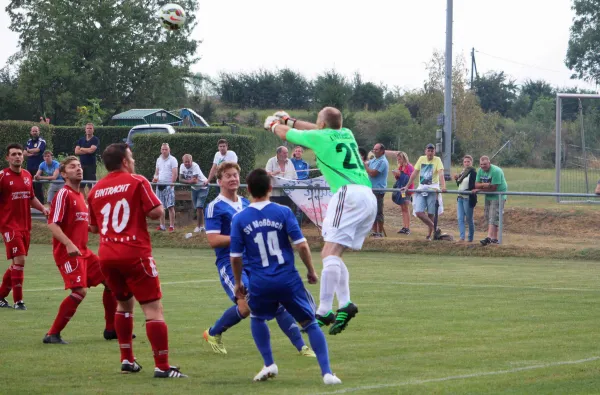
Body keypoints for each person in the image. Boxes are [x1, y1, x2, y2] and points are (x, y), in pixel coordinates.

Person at [264, 107, 377, 335]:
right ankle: (344, 303)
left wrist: (274, 124)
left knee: (328, 254)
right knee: (334, 253)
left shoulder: (320, 136)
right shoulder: (347, 133)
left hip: (348, 195)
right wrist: (289, 119)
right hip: (368, 196)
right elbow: (316, 129)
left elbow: (286, 135)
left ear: (323, 124)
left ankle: (324, 309)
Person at [230, 168, 341, 385]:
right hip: (287, 279)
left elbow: (235, 257)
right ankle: (327, 372)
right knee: (309, 323)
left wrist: (237, 283)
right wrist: (310, 270)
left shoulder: (240, 218)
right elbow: (301, 245)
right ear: (271, 188)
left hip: (260, 282)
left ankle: (269, 363)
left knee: (257, 317)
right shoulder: (283, 212)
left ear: (249, 190)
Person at [88, 143, 186, 378]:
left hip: (107, 256)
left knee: (123, 304)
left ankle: (127, 360)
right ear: (124, 161)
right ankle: (162, 366)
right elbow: (156, 212)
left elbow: (93, 227)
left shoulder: (95, 189)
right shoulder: (136, 181)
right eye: (130, 157)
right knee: (153, 309)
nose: (133, 161)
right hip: (134, 253)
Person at [203, 162, 315, 357]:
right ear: (219, 181)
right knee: (246, 307)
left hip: (256, 263)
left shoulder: (246, 204)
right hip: (230, 264)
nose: (233, 179)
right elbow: (213, 240)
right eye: (228, 176)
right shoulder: (215, 207)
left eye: (235, 175)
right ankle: (213, 332)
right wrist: (240, 237)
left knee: (278, 301)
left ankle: (302, 347)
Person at [43, 156, 119, 344]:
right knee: (79, 291)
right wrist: (68, 244)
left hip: (84, 252)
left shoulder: (80, 196)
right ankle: (52, 334)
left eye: (79, 166)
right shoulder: (64, 194)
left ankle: (111, 329)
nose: (78, 169)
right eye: (72, 167)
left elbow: (88, 227)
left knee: (111, 282)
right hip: (67, 252)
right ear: (63, 174)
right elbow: (52, 224)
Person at [0, 143, 49, 309]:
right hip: (9, 226)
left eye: (19, 154)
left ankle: (0, 297)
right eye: (13, 154)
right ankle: (18, 301)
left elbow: (31, 197)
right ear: (7, 158)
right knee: (19, 260)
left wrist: (42, 208)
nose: (17, 156)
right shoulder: (2, 176)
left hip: (25, 226)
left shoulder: (28, 175)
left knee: (16, 263)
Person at [401, 144, 447, 240]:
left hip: (432, 189)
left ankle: (429, 235)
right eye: (428, 151)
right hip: (421, 189)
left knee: (431, 213)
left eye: (432, 151)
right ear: (425, 151)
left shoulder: (437, 160)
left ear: (434, 152)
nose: (430, 153)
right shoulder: (421, 159)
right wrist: (407, 186)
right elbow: (414, 173)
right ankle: (436, 228)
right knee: (419, 212)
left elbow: (441, 173)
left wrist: (443, 186)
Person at [473, 156, 507, 246]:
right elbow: (476, 185)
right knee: (488, 216)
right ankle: (494, 239)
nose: (483, 166)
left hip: (498, 195)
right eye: (481, 164)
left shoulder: (496, 171)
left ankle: (488, 237)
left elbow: (493, 188)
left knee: (493, 216)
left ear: (489, 163)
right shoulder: (480, 171)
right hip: (488, 196)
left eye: (485, 164)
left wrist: (481, 189)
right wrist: (485, 185)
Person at [364, 143, 389, 238]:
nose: (374, 151)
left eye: (377, 149)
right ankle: (375, 232)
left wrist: (365, 167)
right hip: (371, 190)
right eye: (374, 149)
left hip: (378, 190)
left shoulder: (382, 161)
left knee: (378, 212)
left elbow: (373, 173)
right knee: (372, 211)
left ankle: (379, 232)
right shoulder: (374, 159)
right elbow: (366, 164)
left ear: (382, 151)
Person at [179, 154, 208, 233]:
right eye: (185, 162)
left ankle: (199, 227)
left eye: (188, 162)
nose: (187, 163)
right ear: (183, 162)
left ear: (191, 161)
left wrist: (188, 182)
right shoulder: (182, 166)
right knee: (197, 208)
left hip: (203, 187)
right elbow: (180, 179)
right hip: (194, 188)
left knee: (199, 207)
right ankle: (202, 226)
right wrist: (189, 182)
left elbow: (195, 180)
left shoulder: (195, 166)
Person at [152, 143, 178, 232]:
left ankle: (171, 226)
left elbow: (175, 173)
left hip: (168, 186)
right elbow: (157, 172)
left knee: (170, 206)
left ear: (169, 150)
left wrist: (171, 185)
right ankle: (162, 226)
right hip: (159, 185)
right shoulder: (158, 159)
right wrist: (155, 179)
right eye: (162, 149)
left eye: (166, 149)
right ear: (160, 150)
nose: (164, 151)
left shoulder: (173, 160)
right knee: (161, 207)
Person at [454, 155, 477, 243]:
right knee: (460, 218)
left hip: (468, 198)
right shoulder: (463, 172)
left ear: (471, 162)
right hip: (460, 197)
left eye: (468, 161)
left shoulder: (473, 172)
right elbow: (460, 184)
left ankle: (470, 238)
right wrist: (457, 179)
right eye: (465, 162)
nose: (466, 163)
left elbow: (472, 186)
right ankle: (462, 237)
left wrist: (465, 191)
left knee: (469, 219)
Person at [74, 123, 100, 198]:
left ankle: (90, 200)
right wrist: (87, 150)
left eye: (90, 128)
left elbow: (91, 151)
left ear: (93, 130)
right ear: (85, 130)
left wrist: (81, 149)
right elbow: (76, 152)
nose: (89, 130)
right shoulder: (81, 140)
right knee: (81, 185)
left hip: (91, 165)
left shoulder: (95, 140)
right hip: (81, 165)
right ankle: (85, 201)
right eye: (87, 128)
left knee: (90, 185)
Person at [392, 152, 414, 235]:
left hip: (407, 190)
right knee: (403, 207)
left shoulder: (409, 167)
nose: (398, 160)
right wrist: (396, 175)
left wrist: (400, 174)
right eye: (398, 159)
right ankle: (404, 226)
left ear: (404, 158)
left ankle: (407, 227)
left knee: (406, 207)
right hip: (401, 190)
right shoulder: (400, 167)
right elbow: (399, 179)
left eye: (400, 159)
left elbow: (410, 178)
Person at [23, 126, 46, 203]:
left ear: (39, 131)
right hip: (29, 166)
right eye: (33, 131)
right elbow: (24, 153)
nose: (34, 132)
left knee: (38, 186)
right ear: (31, 132)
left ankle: (41, 203)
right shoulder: (29, 141)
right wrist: (31, 153)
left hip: (38, 166)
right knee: (30, 185)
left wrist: (29, 151)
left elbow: (38, 150)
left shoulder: (42, 141)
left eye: (36, 131)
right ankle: (32, 203)